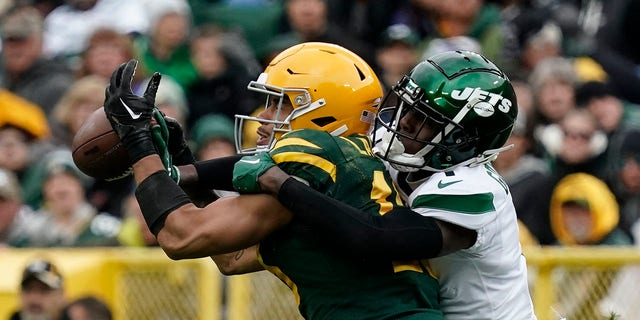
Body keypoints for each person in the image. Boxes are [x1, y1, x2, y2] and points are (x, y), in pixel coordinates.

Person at [102, 43, 444, 319]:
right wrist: (183, 165)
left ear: (326, 113)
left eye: (280, 104)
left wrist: (138, 146)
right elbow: (230, 256)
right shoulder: (344, 166)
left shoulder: (316, 153)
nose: (263, 118)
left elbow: (182, 236)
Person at [236, 50, 536, 319]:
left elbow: (377, 238)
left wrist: (281, 183)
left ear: (461, 140)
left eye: (423, 118)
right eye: (407, 106)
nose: (404, 121)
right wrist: (192, 170)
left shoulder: (475, 189)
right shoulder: (403, 155)